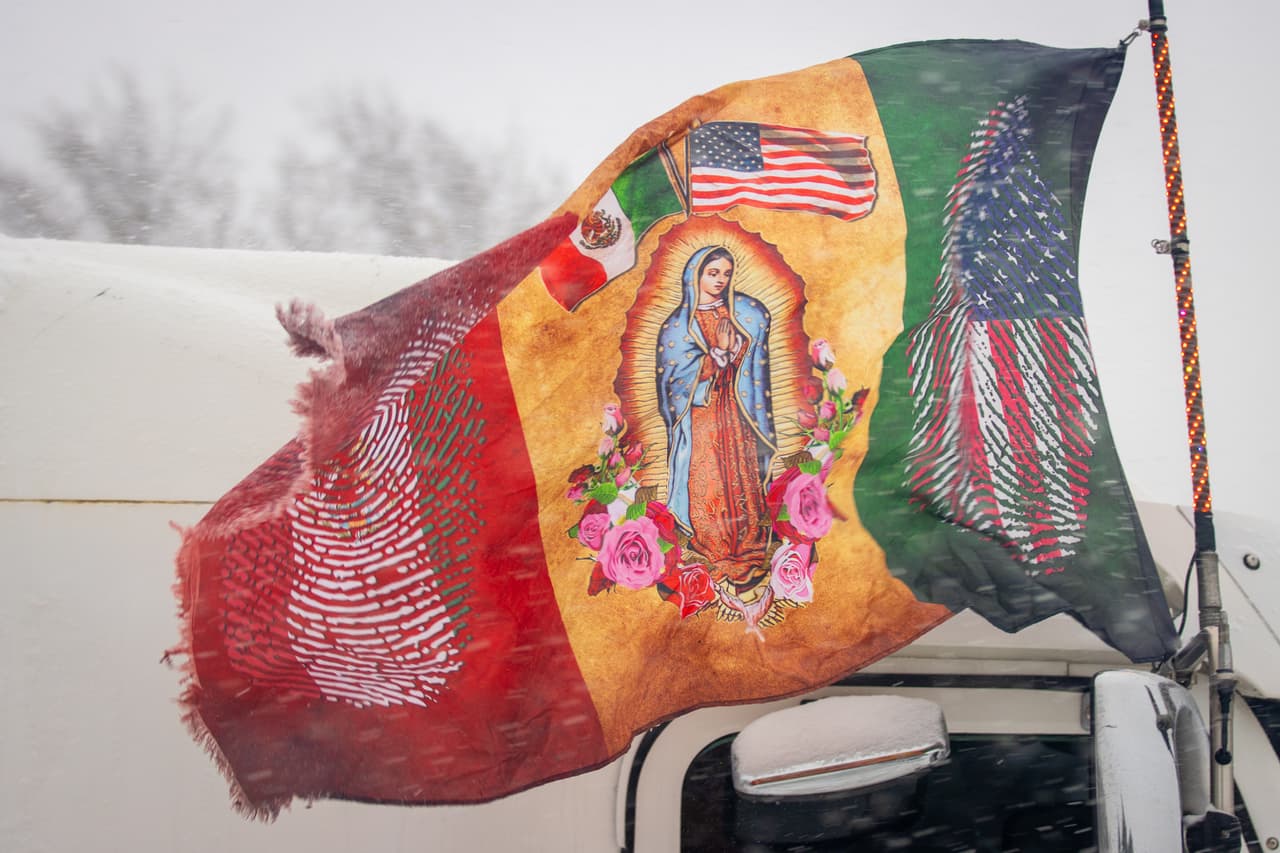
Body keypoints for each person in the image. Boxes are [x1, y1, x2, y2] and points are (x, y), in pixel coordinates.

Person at [657, 245, 776, 586]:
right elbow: (675, 382)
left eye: (726, 273)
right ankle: (715, 546)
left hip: (734, 410)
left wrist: (737, 350)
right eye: (713, 273)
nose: (720, 280)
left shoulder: (737, 313)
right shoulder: (678, 325)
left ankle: (750, 545)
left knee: (740, 472)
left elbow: (750, 364)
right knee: (711, 479)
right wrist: (718, 354)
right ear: (696, 275)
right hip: (702, 415)